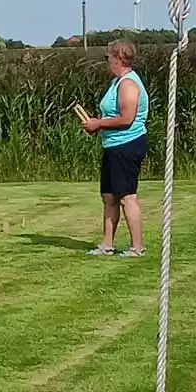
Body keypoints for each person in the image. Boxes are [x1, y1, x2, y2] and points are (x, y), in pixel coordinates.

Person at [82, 40, 150, 258]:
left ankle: (137, 247)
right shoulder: (117, 82)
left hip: (127, 145)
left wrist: (98, 124)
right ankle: (107, 244)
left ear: (119, 58)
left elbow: (127, 118)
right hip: (113, 144)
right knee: (109, 196)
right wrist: (97, 126)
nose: (107, 62)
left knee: (126, 196)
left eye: (108, 57)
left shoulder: (128, 84)